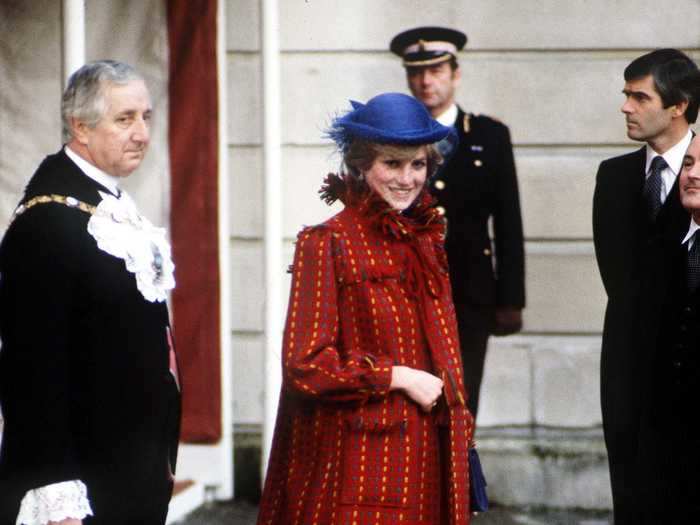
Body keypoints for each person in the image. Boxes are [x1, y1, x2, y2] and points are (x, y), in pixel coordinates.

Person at [257, 93, 475, 525]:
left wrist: (461, 428)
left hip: (430, 453)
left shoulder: (427, 239)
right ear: (360, 165)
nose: (407, 178)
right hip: (361, 460)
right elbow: (305, 365)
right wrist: (398, 377)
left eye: (418, 165)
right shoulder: (327, 242)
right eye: (391, 164)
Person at [0, 60, 180, 525]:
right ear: (80, 127)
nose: (141, 133)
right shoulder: (48, 223)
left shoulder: (104, 203)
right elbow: (31, 375)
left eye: (145, 116)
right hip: (82, 487)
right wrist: (57, 498)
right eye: (125, 119)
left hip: (128, 469)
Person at [389, 26, 525, 417]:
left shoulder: (488, 135)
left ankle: (462, 479)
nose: (425, 81)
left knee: (463, 400)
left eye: (435, 70)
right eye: (416, 72)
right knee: (412, 401)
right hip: (405, 286)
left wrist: (511, 299)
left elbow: (508, 218)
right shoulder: (392, 137)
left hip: (469, 291)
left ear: (455, 74)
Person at [592, 49, 698, 524]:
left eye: (640, 96)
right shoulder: (613, 177)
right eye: (626, 95)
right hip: (629, 372)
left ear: (679, 105)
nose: (626, 107)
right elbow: (619, 280)